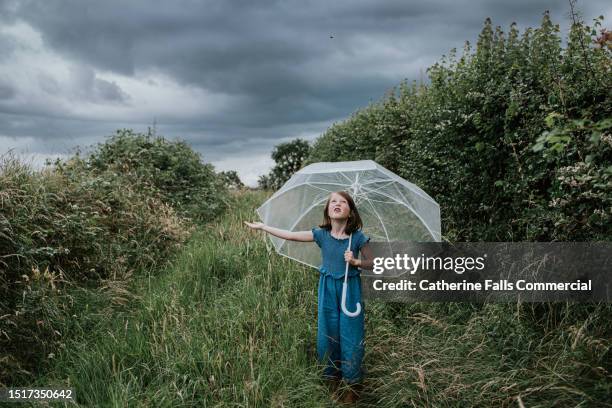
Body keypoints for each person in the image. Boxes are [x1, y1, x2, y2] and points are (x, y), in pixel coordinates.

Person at [245, 191, 373, 404]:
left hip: (349, 291)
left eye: (343, 202)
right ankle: (332, 383)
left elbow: (375, 262)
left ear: (350, 213)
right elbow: (291, 235)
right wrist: (264, 227)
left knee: (351, 337)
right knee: (328, 334)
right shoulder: (321, 234)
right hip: (328, 290)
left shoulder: (357, 238)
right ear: (328, 210)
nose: (337, 204)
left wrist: (357, 262)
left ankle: (352, 389)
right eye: (333, 201)